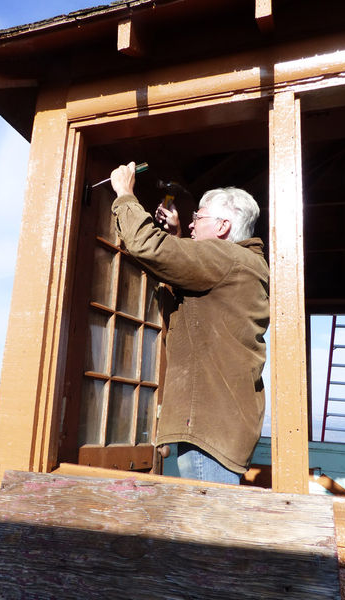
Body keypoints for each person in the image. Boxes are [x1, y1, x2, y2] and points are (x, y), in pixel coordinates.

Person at [110, 161, 269, 484]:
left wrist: (125, 194)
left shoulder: (227, 258)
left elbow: (147, 246)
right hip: (220, 426)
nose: (193, 224)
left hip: (208, 431)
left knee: (207, 529)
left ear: (223, 227)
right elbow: (198, 299)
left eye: (198, 217)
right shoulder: (243, 263)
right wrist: (178, 237)